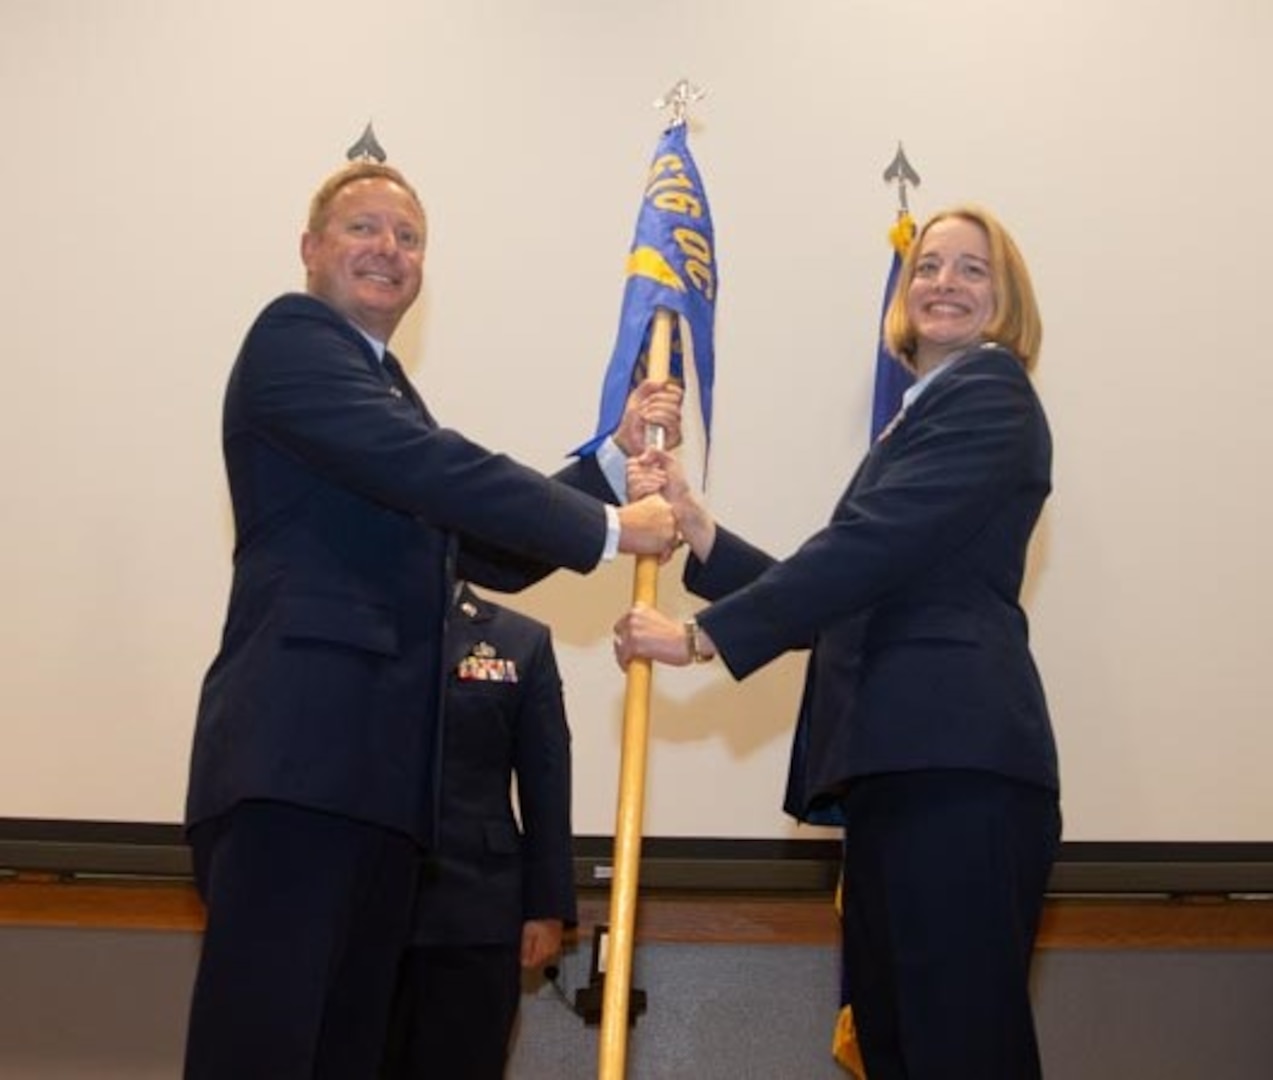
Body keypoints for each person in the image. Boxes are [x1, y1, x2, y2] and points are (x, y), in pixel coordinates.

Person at [184, 157, 680, 1080]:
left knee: (343, 1055)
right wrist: (612, 529)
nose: (388, 250)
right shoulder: (294, 341)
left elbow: (480, 547)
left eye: (408, 237)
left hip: (380, 793)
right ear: (310, 248)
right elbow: (437, 471)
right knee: (265, 1047)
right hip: (297, 767)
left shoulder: (387, 397)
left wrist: (608, 466)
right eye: (363, 228)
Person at [615, 205, 1060, 1080]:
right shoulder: (923, 415)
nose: (943, 284)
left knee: (956, 1044)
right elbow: (855, 591)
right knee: (903, 1042)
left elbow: (868, 550)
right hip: (903, 769)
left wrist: (702, 639)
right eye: (928, 266)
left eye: (973, 271)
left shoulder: (990, 394)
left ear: (1007, 300)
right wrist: (703, 534)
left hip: (954, 766)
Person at [380, 582, 575, 1080]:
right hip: (363, 908)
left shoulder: (519, 641)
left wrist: (547, 907)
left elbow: (546, 782)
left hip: (475, 911)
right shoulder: (355, 625)